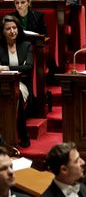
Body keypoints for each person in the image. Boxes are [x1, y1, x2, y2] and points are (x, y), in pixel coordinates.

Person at [0, 16, 33, 148]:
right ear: (2, 31)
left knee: (15, 93)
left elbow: (28, 68)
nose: (12, 31)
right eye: (8, 29)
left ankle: (18, 134)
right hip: (2, 83)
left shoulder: (26, 45)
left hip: (22, 84)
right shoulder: (0, 47)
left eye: (14, 28)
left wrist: (6, 68)